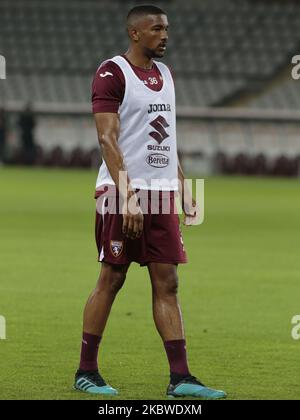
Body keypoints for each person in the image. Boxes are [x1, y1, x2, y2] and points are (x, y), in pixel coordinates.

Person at [74, 5, 226, 399]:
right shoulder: (112, 72)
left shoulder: (166, 75)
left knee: (168, 282)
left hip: (161, 194)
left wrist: (183, 188)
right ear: (135, 33)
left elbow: (167, 140)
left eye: (167, 28)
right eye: (157, 28)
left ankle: (182, 379)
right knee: (113, 277)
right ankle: (86, 371)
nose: (165, 35)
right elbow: (107, 139)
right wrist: (127, 195)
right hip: (120, 193)